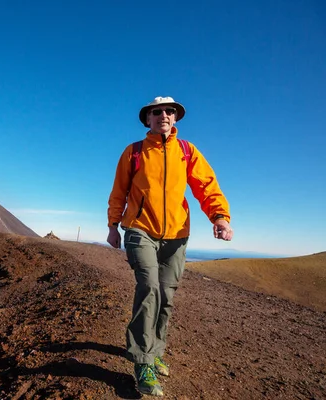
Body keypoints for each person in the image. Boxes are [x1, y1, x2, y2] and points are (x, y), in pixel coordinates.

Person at [106, 96, 233, 396]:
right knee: (149, 287)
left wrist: (220, 217)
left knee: (166, 294)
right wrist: (113, 226)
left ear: (175, 118)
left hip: (176, 235)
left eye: (169, 111)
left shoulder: (187, 151)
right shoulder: (134, 152)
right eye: (157, 111)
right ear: (147, 119)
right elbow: (119, 191)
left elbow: (206, 185)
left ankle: (156, 350)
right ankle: (142, 360)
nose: (164, 115)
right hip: (140, 230)